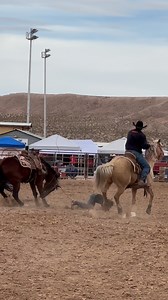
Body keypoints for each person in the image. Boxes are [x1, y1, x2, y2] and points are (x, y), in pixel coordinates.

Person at [125, 120, 150, 187]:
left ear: (135, 126)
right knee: (146, 166)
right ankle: (141, 180)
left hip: (127, 151)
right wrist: (148, 145)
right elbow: (144, 146)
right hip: (136, 152)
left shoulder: (130, 132)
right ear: (142, 128)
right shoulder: (141, 135)